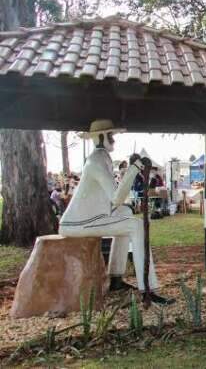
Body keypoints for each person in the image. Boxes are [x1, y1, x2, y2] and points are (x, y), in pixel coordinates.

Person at [58, 119, 172, 304]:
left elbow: (115, 199)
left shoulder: (101, 158)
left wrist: (132, 171)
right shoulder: (96, 161)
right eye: (111, 136)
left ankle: (116, 279)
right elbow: (116, 197)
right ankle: (148, 288)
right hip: (79, 223)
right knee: (136, 226)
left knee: (126, 214)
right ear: (101, 137)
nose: (114, 140)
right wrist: (134, 169)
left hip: (89, 218)